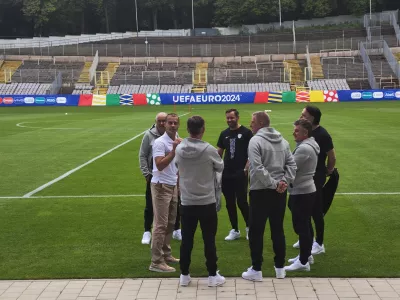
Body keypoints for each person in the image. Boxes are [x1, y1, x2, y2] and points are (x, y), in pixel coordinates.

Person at [242, 111, 296, 281]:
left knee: (256, 231)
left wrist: (274, 184)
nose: (250, 125)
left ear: (260, 123)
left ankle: (256, 269)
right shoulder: (284, 141)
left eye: (252, 122)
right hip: (279, 192)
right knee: (277, 229)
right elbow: (291, 165)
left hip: (260, 191)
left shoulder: (255, 141)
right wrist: (283, 182)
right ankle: (280, 268)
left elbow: (257, 169)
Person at [175, 115, 226, 287]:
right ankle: (212, 275)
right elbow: (220, 166)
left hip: (187, 201)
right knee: (209, 239)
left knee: (187, 240)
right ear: (203, 129)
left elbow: (176, 166)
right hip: (206, 201)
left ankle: (184, 275)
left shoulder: (180, 148)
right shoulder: (209, 149)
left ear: (188, 129)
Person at [292, 106, 336, 255]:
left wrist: (328, 171)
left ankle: (319, 242)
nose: (301, 116)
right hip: (306, 174)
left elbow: (332, 156)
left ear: (312, 118)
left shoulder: (322, 134)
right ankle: (307, 238)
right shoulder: (307, 132)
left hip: (316, 176)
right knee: (300, 207)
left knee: (315, 210)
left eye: (304, 115)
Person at [139, 112, 182, 244]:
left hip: (171, 176)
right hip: (155, 176)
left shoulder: (176, 136)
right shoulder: (149, 136)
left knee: (175, 205)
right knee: (150, 205)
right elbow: (142, 155)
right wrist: (146, 173)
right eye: (160, 121)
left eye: (165, 121)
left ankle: (176, 229)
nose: (163, 123)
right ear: (156, 121)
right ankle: (147, 231)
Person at [285, 119, 320, 272]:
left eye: (297, 130)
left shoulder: (305, 148)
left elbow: (290, 166)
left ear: (305, 133)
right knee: (305, 225)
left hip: (302, 191)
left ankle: (303, 261)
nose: (294, 132)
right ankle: (306, 255)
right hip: (304, 190)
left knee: (302, 226)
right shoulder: (307, 145)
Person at [149, 113, 182, 273]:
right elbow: (160, 165)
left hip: (173, 184)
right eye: (170, 123)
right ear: (165, 125)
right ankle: (156, 261)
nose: (173, 125)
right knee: (160, 225)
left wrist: (178, 182)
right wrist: (174, 151)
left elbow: (177, 165)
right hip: (161, 185)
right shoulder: (159, 142)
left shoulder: (177, 140)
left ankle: (166, 254)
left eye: (175, 123)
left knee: (170, 222)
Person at [217, 109, 253, 241]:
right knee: (230, 203)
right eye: (227, 118)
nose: (229, 120)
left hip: (241, 172)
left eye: (231, 118)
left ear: (237, 117)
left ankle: (250, 227)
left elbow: (252, 152)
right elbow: (219, 152)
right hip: (226, 173)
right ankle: (235, 229)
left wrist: (247, 167)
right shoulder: (224, 134)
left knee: (242, 201)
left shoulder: (246, 133)